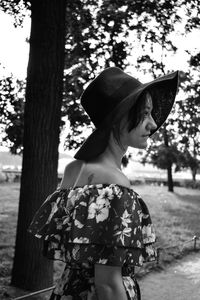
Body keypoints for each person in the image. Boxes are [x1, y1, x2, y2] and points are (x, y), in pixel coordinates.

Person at [28, 67, 179, 300]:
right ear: (120, 116)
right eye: (145, 113)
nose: (153, 124)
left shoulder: (72, 171)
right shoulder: (115, 185)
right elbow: (108, 285)